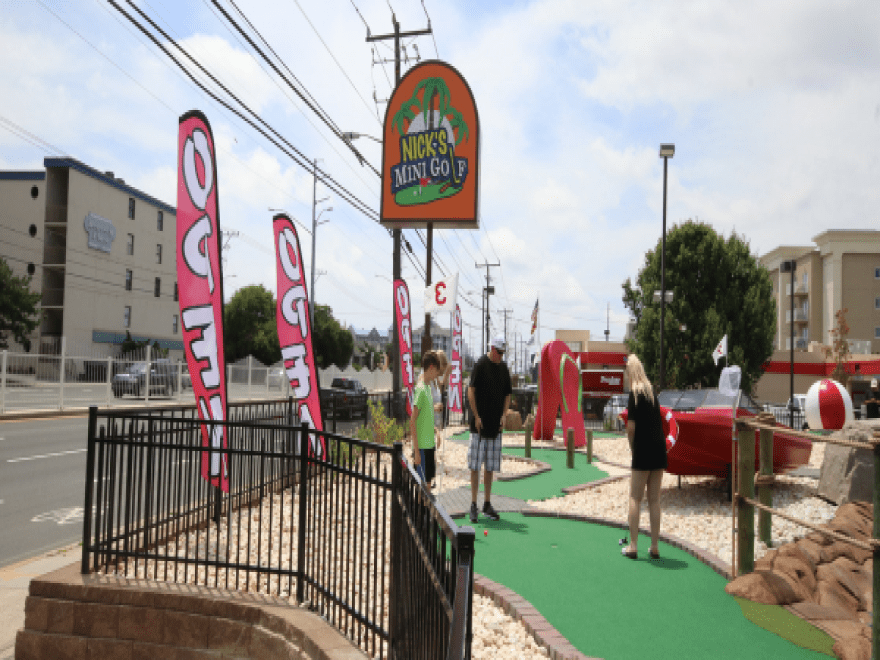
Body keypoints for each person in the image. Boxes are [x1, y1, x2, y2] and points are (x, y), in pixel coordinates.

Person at [621, 354, 667, 559]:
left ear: (630, 372)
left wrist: (632, 448)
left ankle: (633, 545)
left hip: (643, 450)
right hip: (659, 449)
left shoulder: (635, 394)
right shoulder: (652, 394)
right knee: (655, 500)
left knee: (635, 497)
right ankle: (655, 546)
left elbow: (631, 428)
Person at [467, 335, 512, 523]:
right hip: (479, 427)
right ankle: (473, 504)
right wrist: (476, 416)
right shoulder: (480, 364)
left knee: (490, 467)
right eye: (499, 352)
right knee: (475, 466)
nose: (501, 356)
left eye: (503, 353)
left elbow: (507, 394)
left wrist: (504, 414)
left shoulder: (503, 368)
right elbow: (471, 391)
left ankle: (486, 503)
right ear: (492, 349)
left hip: (495, 427)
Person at [411, 351, 441, 489]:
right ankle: (420, 510)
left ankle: (424, 510)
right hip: (422, 448)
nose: (437, 375)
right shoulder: (421, 389)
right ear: (431, 367)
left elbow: (426, 415)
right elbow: (413, 421)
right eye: (437, 371)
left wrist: (435, 431)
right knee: (421, 487)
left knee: (428, 484)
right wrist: (416, 452)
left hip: (429, 446)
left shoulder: (428, 388)